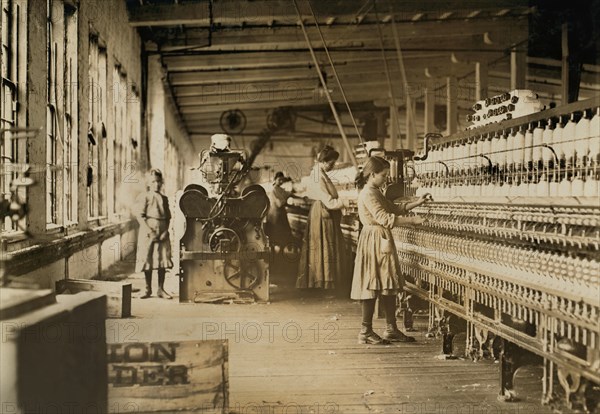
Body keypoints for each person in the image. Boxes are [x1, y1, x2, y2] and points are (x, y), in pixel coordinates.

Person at [351, 156, 430, 344]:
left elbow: (393, 208)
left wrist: (417, 203)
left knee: (388, 283)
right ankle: (365, 331)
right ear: (372, 175)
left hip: (380, 239)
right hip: (374, 240)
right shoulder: (368, 193)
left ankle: (391, 328)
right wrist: (413, 220)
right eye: (384, 175)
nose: (386, 178)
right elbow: (385, 218)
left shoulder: (375, 191)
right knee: (372, 284)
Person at [296, 145, 351, 291]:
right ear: (324, 161)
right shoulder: (317, 176)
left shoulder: (320, 173)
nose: (332, 166)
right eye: (331, 163)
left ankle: (326, 281)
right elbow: (329, 201)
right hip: (322, 212)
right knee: (326, 246)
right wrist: (346, 203)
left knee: (325, 246)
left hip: (323, 211)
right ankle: (325, 282)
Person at [135, 169, 174, 299]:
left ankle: (161, 289)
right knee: (148, 259)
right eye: (153, 181)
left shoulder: (164, 198)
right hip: (148, 232)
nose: (156, 184)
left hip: (162, 232)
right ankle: (147, 289)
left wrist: (165, 232)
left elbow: (168, 218)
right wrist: (149, 231)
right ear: (148, 183)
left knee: (162, 259)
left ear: (161, 183)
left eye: (158, 181)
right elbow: (140, 217)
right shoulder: (144, 197)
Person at [265, 171, 305, 252]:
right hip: (274, 216)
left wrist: (302, 198)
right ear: (275, 179)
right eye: (279, 180)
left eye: (282, 180)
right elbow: (279, 204)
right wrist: (286, 199)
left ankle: (281, 253)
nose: (281, 181)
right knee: (276, 235)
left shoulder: (281, 189)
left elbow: (289, 195)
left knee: (283, 235)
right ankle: (275, 254)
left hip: (281, 214)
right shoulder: (273, 190)